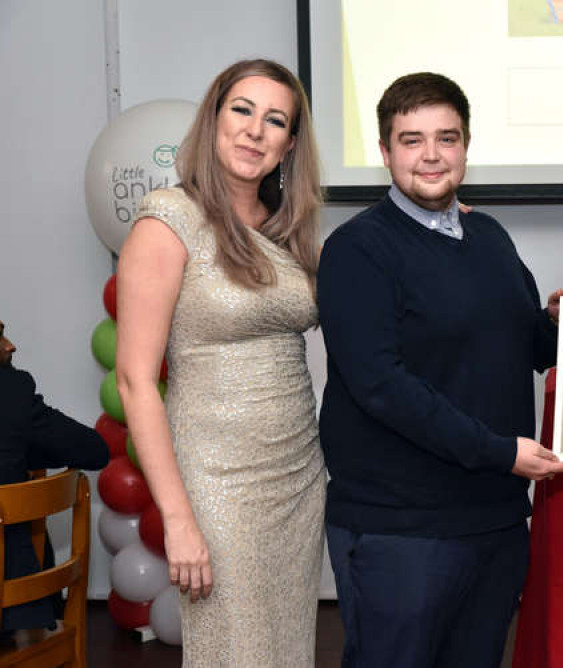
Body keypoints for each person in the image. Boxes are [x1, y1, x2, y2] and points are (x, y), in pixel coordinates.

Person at [316, 72, 563, 668]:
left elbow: (520, 345)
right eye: (411, 140)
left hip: (494, 518)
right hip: (402, 530)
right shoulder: (357, 250)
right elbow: (381, 386)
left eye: (447, 137)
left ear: (466, 145)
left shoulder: (487, 234)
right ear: (385, 152)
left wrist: (562, 324)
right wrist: (498, 451)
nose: (431, 155)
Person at [116, 59, 325, 666]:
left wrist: (444, 226)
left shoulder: (292, 232)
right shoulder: (169, 219)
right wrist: (178, 519)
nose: (255, 130)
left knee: (286, 650)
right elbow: (135, 382)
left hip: (298, 479)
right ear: (213, 119)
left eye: (275, 120)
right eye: (241, 109)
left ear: (289, 144)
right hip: (218, 486)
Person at [0, 319, 109, 633]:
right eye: (0, 337)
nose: (10, 345)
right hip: (13, 609)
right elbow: (94, 451)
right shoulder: (11, 390)